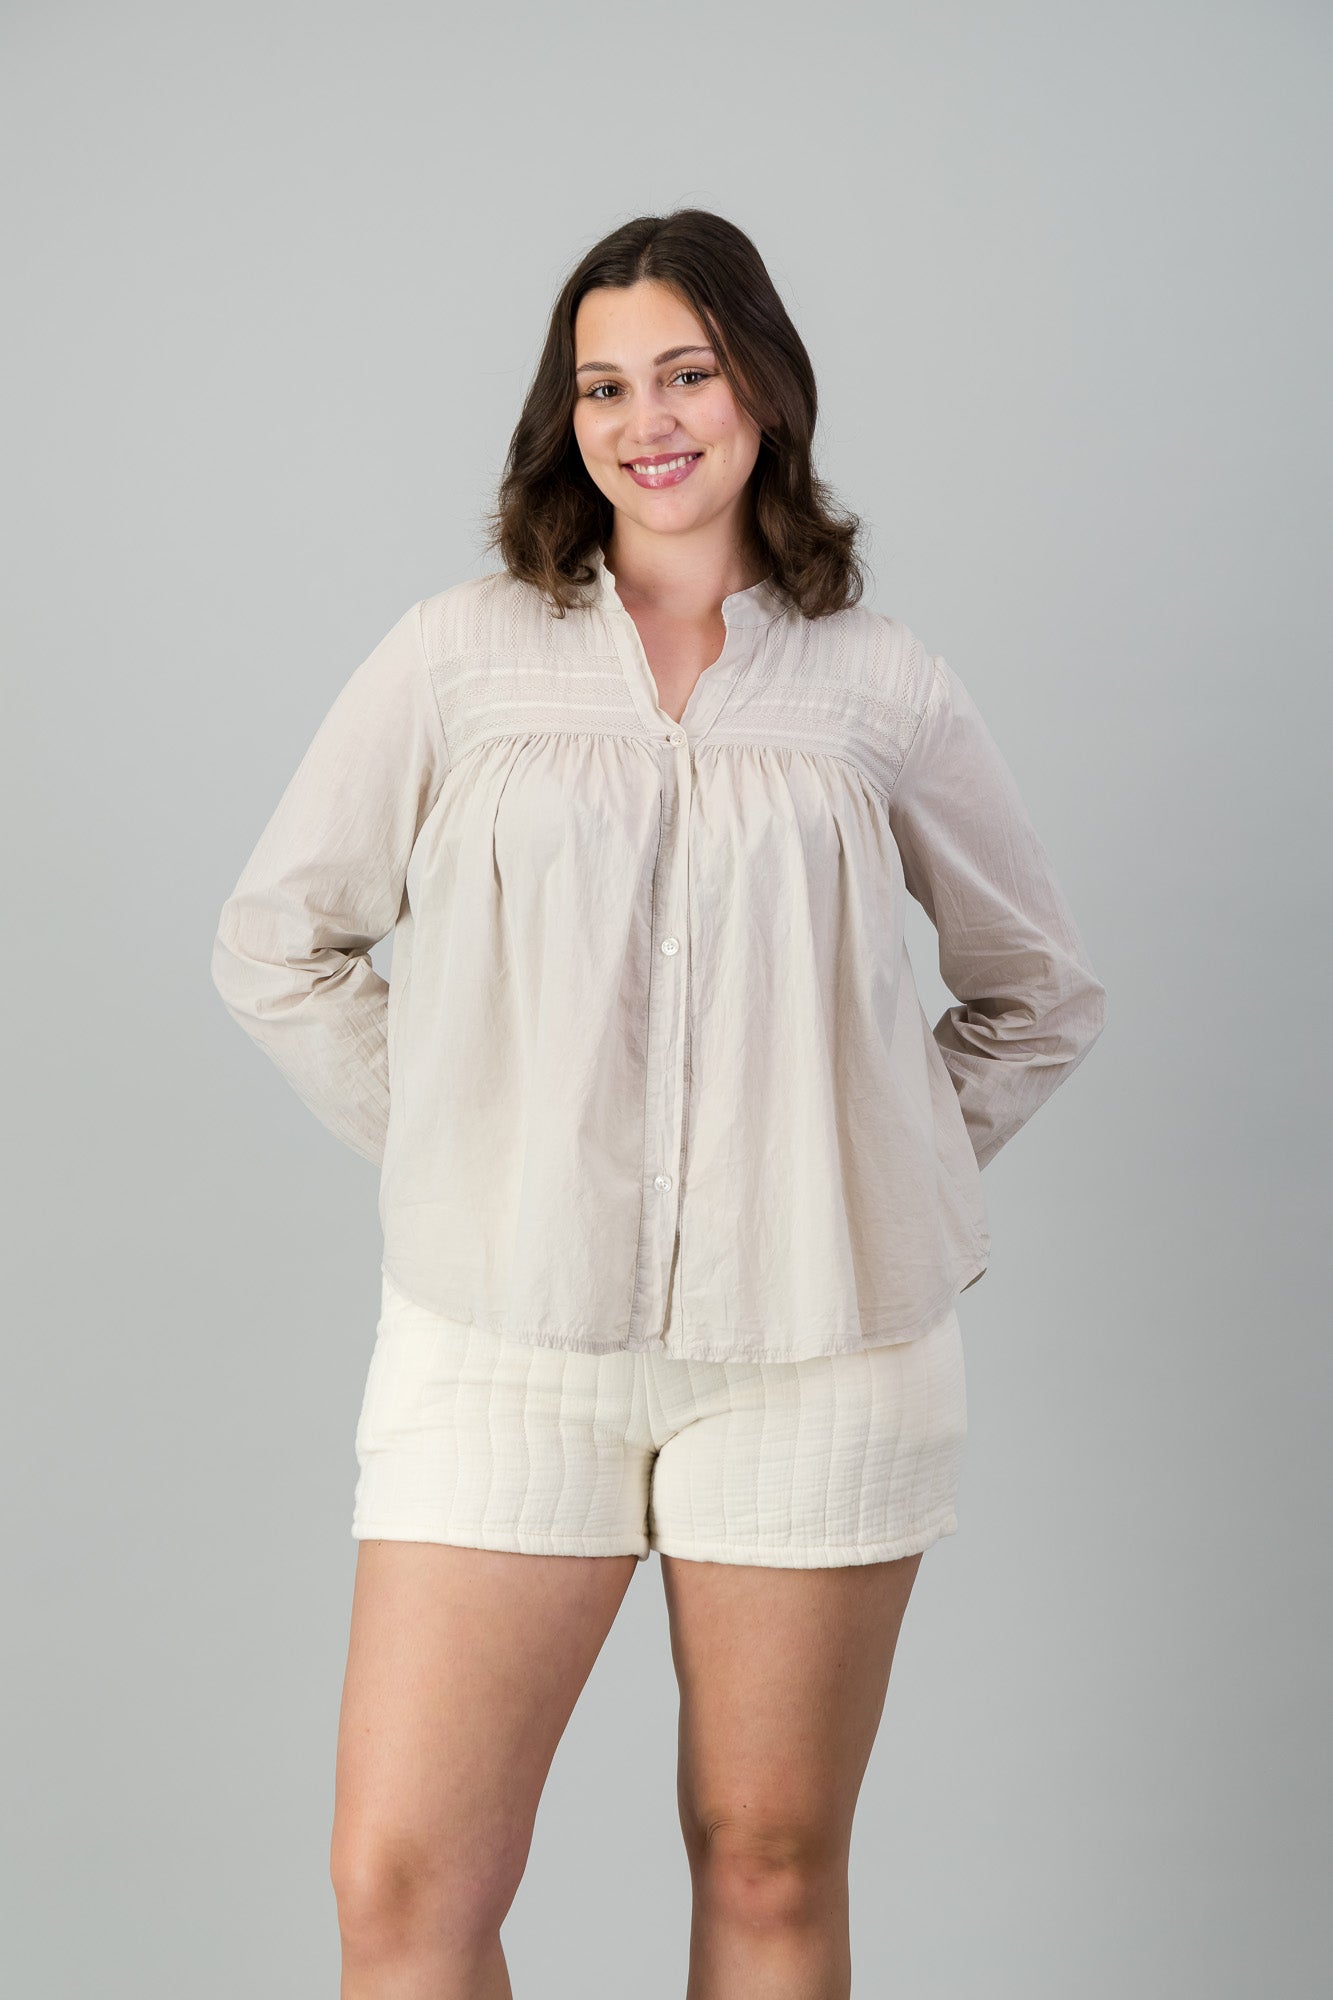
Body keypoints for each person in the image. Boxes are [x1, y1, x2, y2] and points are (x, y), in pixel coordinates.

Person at [210, 207, 1108, 1998]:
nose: (647, 420)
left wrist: (860, 1172)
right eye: (603, 385)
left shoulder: (879, 681)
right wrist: (483, 1156)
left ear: (762, 388)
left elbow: (1036, 993)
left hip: (820, 1351)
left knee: (767, 1865)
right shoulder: (459, 655)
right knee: (403, 1887)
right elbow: (276, 944)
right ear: (568, 417)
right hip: (501, 1341)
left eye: (685, 373)